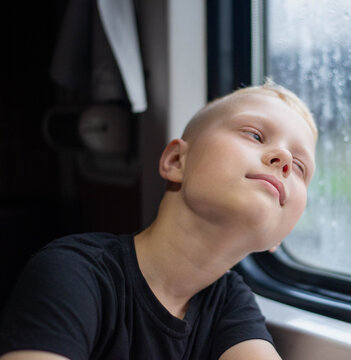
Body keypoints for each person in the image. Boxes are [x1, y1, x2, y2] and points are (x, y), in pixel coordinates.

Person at [0, 80, 318, 360]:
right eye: (255, 134)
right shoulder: (75, 273)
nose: (285, 159)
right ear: (177, 161)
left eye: (301, 167)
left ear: (282, 236)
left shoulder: (230, 305)